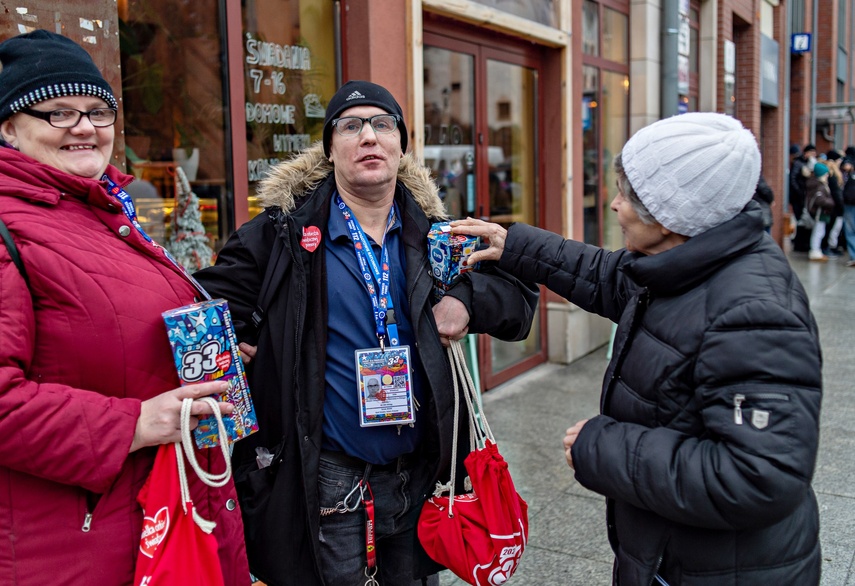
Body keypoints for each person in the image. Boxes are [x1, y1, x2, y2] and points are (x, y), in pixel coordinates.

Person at [194, 80, 538, 586]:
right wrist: (240, 350)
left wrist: (465, 302)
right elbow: (201, 303)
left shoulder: (437, 234)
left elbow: (520, 303)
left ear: (402, 144)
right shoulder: (282, 233)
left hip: (422, 473)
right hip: (328, 478)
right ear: (331, 149)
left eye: (382, 125)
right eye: (351, 127)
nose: (368, 137)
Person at [454, 112, 822, 585]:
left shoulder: (754, 312)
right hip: (676, 554)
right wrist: (516, 246)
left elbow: (757, 476)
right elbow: (606, 275)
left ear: (672, 214)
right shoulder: (687, 262)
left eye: (628, 195)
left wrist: (604, 446)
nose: (613, 205)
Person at [0, 30, 250, 584]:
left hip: (162, 517)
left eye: (97, 110)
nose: (85, 127)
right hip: (77, 547)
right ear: (9, 129)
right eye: (57, 112)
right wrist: (135, 422)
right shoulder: (9, 227)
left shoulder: (107, 212)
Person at [806, 162, 834, 261]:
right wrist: (831, 202)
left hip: (821, 212)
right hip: (819, 212)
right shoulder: (819, 185)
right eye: (826, 174)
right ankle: (815, 251)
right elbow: (820, 200)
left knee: (820, 232)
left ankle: (816, 250)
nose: (827, 176)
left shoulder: (818, 184)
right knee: (818, 232)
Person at [842, 156, 855, 266]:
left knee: (850, 231)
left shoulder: (850, 176)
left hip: (850, 205)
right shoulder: (848, 175)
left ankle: (854, 256)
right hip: (849, 205)